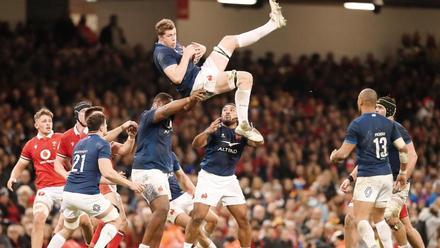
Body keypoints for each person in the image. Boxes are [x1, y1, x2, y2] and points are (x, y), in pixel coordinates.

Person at [153, 0, 287, 143]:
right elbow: (177, 77)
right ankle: (243, 124)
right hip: (198, 85)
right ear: (160, 37)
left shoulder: (172, 44)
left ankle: (273, 23)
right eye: (169, 36)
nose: (174, 39)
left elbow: (185, 65)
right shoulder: (162, 53)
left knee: (229, 40)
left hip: (200, 73)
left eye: (174, 34)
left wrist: (199, 52)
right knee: (246, 78)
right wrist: (187, 55)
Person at [47, 111, 145, 248]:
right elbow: (107, 172)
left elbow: (93, 172)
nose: (107, 127)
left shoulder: (80, 144)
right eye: (105, 125)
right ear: (102, 127)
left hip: (69, 192)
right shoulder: (102, 144)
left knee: (67, 229)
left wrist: (130, 136)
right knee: (116, 220)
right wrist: (130, 184)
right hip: (86, 194)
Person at [341, 96, 424, 248]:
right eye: (375, 107)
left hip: (396, 183)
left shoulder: (397, 128)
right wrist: (350, 178)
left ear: (390, 111)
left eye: (380, 107)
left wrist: (403, 177)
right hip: (375, 180)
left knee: (391, 220)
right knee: (350, 219)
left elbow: (412, 155)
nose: (376, 110)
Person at [330, 89, 408, 248]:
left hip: (368, 177)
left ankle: (373, 246)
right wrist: (403, 172)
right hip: (386, 177)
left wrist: (333, 156)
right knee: (379, 219)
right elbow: (403, 149)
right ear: (375, 103)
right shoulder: (388, 123)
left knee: (360, 219)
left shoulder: (357, 124)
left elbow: (342, 155)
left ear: (360, 102)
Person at [184, 103, 264, 248]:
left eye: (232, 110)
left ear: (238, 115)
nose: (227, 112)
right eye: (224, 110)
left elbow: (260, 142)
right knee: (197, 217)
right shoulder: (215, 129)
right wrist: (207, 131)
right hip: (209, 177)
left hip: (229, 180)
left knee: (244, 220)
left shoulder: (242, 132)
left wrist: (250, 128)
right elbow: (196, 144)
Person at [131, 90, 204, 248]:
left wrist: (195, 99)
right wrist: (187, 98)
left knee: (161, 213)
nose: (171, 108)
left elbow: (185, 108)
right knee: (163, 207)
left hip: (158, 172)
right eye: (168, 105)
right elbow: (167, 109)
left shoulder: (168, 120)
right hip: (147, 170)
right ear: (157, 104)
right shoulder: (148, 115)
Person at [7, 108, 64, 248]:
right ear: (36, 124)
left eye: (50, 121)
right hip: (45, 189)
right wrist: (12, 177)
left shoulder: (62, 138)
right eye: (44, 121)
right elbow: (21, 165)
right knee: (38, 220)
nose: (48, 123)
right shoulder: (30, 144)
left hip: (66, 187)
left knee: (80, 222)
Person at [167, 152, 218, 248]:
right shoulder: (149, 158)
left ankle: (198, 246)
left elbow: (182, 176)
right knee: (196, 229)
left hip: (182, 195)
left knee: (213, 220)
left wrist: (195, 193)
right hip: (168, 203)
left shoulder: (170, 155)